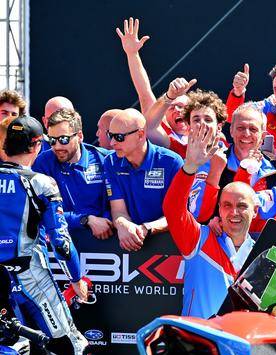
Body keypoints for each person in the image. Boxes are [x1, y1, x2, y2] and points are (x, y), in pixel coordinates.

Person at [0, 115, 90, 355]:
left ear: (5, 145)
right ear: (37, 146)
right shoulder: (40, 182)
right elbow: (61, 243)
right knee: (74, 343)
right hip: (28, 276)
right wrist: (76, 278)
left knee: (12, 344)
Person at [163, 122, 255, 319]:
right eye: (227, 205)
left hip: (243, 339)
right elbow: (173, 209)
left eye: (242, 206)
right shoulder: (199, 240)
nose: (234, 212)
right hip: (199, 338)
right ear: (219, 210)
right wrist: (190, 167)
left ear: (255, 211)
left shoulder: (262, 254)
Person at [103, 108, 183, 251]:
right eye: (110, 135)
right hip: (132, 242)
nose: (112, 143)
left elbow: (179, 214)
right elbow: (118, 210)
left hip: (170, 246)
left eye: (119, 137)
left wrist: (146, 228)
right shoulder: (111, 162)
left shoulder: (171, 162)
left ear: (140, 135)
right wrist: (123, 224)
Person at [32, 108, 112, 239]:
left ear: (79, 136)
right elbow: (41, 212)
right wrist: (85, 220)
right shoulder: (42, 163)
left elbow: (119, 203)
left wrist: (107, 220)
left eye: (63, 139)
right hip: (61, 241)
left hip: (104, 238)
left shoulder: (104, 159)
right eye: (52, 140)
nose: (57, 146)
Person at [116, 18, 190, 154]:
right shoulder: (164, 134)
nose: (177, 110)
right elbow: (145, 94)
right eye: (172, 107)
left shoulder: (213, 137)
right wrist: (132, 54)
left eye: (182, 106)